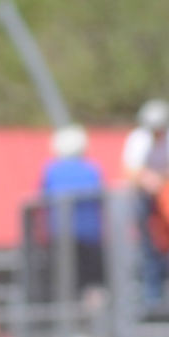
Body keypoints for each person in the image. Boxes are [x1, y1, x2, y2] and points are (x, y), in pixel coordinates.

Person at [121, 99, 169, 306]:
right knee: (149, 247)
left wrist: (159, 180)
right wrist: (148, 180)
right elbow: (132, 171)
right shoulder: (138, 138)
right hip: (146, 199)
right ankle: (152, 296)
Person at [38, 123, 106, 297]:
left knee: (63, 280)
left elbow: (42, 196)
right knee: (90, 281)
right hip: (90, 236)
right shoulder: (91, 169)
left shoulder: (52, 170)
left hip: (60, 235)